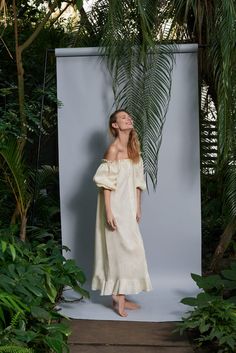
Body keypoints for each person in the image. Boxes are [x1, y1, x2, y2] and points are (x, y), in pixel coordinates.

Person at [91, 109, 152, 317]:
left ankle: (119, 296)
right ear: (115, 126)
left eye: (129, 117)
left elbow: (137, 182)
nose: (128, 119)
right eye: (123, 117)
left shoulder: (134, 149)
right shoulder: (113, 150)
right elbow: (105, 185)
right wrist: (108, 212)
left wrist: (138, 206)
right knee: (118, 252)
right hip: (114, 206)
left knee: (132, 250)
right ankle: (120, 298)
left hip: (128, 206)